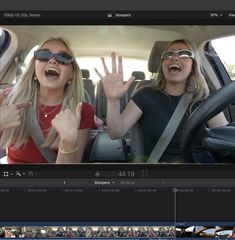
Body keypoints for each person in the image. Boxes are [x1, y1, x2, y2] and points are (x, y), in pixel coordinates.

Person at [98, 39, 228, 162]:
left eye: (184, 53)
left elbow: (226, 140)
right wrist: (113, 100)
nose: (175, 57)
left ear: (193, 64)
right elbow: (116, 132)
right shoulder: (144, 94)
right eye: (169, 53)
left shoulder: (205, 98)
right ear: (163, 63)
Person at [0, 37, 95, 163]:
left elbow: (66, 177)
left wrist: (67, 142)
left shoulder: (82, 110)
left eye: (63, 58)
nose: (52, 60)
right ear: (34, 67)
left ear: (71, 74)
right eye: (44, 55)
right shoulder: (8, 98)